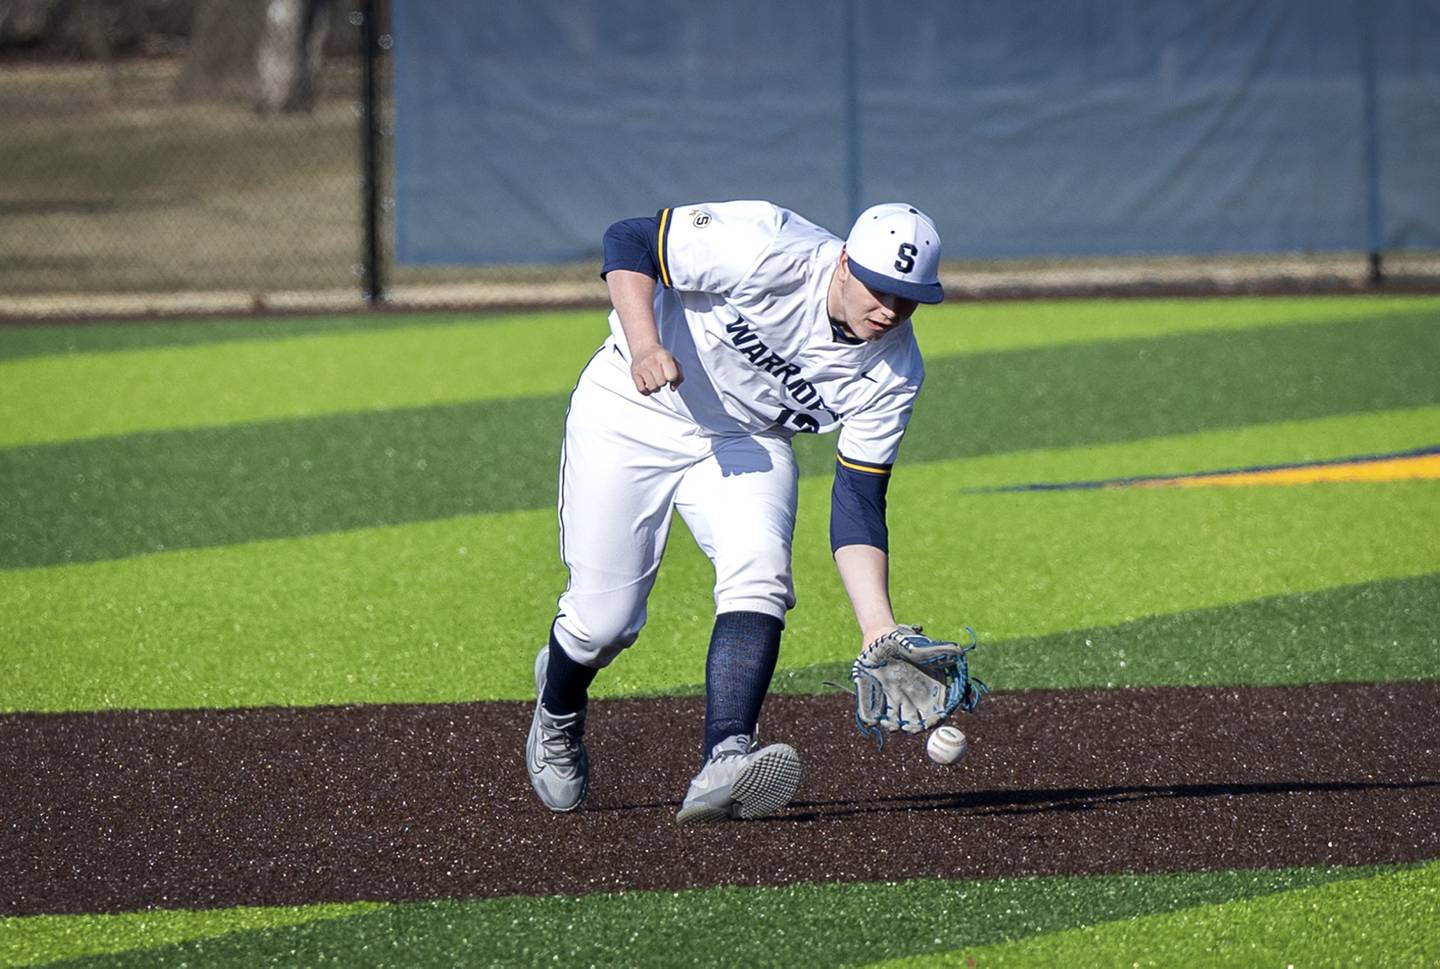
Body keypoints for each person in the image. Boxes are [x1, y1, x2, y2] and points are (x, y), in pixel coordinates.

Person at [525, 200, 945, 823]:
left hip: (745, 439)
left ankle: (727, 755)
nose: (889, 309)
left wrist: (877, 626)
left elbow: (858, 501)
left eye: (908, 298)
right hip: (633, 408)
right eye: (879, 289)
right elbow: (629, 240)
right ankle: (558, 712)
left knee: (761, 574)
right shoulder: (768, 245)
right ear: (845, 263)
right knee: (602, 624)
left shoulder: (893, 372)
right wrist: (645, 344)